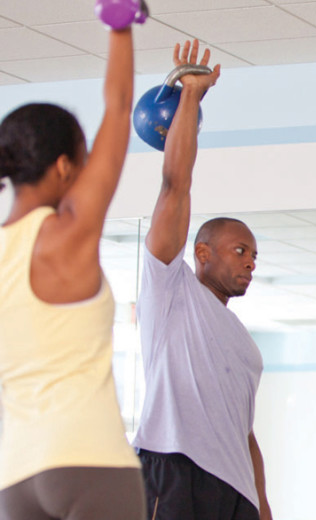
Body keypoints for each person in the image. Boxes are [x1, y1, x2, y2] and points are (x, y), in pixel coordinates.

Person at [0, 19, 145, 520]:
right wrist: (119, 23)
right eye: (83, 164)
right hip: (90, 464)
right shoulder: (67, 233)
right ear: (64, 168)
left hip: (15, 477)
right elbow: (120, 106)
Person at [132, 40, 272, 520]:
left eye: (254, 255)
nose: (250, 262)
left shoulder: (244, 346)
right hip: (172, 466)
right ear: (202, 253)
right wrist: (190, 96)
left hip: (234, 489)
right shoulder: (169, 290)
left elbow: (244, 431)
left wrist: (262, 502)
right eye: (240, 251)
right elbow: (177, 182)